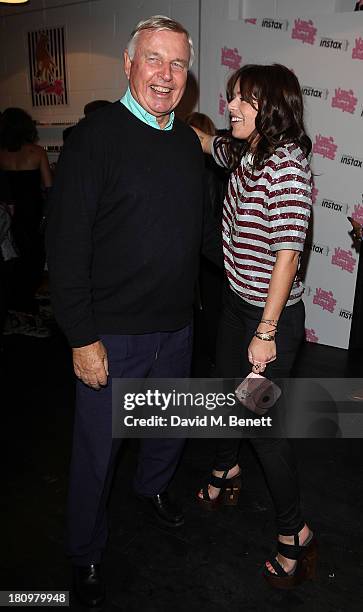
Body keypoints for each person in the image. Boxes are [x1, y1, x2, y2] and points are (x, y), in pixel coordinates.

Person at [46, 15, 218, 608]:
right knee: (97, 453)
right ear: (128, 63)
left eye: (177, 64)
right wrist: (81, 335)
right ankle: (84, 551)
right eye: (154, 59)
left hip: (175, 325)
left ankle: (153, 490)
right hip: (110, 335)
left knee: (167, 428)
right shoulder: (93, 140)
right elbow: (65, 248)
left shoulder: (185, 143)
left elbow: (195, 234)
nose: (166, 75)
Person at [193, 64, 317, 588]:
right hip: (237, 304)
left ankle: (296, 533)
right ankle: (226, 470)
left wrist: (264, 333)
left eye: (244, 100)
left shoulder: (287, 165)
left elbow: (288, 257)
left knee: (264, 429)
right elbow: (207, 144)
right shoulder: (245, 150)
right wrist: (164, 112)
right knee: (227, 397)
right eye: (231, 97)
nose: (232, 107)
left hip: (272, 318)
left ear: (273, 107)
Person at [0, 108, 52, 335]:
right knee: (34, 259)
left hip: (9, 215)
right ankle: (27, 309)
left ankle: (17, 309)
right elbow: (49, 188)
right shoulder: (37, 152)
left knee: (14, 261)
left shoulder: (1, 154)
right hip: (33, 213)